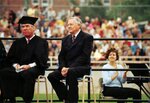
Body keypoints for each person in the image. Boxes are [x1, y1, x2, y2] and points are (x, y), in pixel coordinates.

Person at [0, 16, 49, 103]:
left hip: (35, 68)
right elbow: (10, 58)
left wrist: (29, 66)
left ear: (33, 28)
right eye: (22, 27)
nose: (24, 28)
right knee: (4, 72)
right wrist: (16, 65)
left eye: (27, 26)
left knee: (28, 73)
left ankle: (27, 100)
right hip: (19, 68)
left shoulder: (41, 42)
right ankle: (10, 98)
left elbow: (43, 60)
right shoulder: (17, 42)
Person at [47, 17, 93, 103]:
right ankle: (66, 98)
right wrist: (63, 67)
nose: (68, 26)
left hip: (82, 67)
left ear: (79, 25)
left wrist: (69, 68)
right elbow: (61, 57)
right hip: (66, 68)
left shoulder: (87, 37)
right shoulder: (65, 39)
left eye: (71, 24)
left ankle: (72, 101)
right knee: (51, 76)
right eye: (68, 24)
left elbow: (85, 56)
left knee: (71, 72)